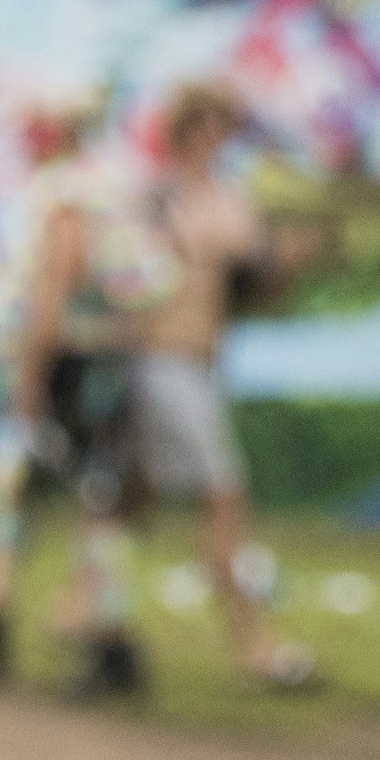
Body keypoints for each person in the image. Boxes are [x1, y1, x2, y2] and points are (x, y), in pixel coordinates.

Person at [0, 95, 181, 697]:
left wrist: (31, 382)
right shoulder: (95, 189)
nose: (20, 131)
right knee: (16, 489)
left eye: (32, 120)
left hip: (68, 371)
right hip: (84, 366)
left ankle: (111, 644)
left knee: (90, 504)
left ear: (59, 128)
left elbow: (55, 288)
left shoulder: (68, 193)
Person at [133, 84, 317, 690]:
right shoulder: (154, 197)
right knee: (222, 498)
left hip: (201, 364)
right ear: (186, 126)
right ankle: (255, 647)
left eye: (227, 123)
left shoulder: (232, 200)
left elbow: (253, 290)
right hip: (157, 360)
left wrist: (285, 263)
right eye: (210, 122)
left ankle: (81, 612)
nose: (219, 134)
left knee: (131, 501)